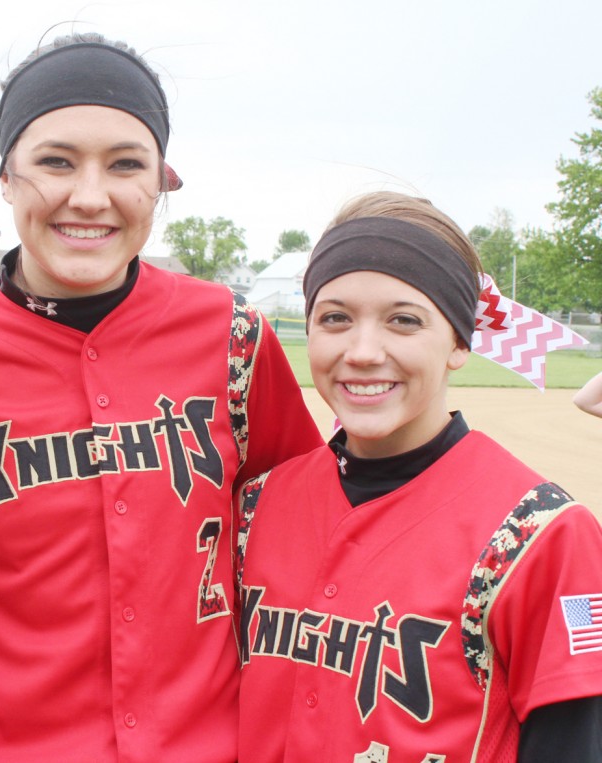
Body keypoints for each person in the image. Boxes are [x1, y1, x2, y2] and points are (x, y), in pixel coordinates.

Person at [0, 31, 321, 762]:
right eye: (55, 162)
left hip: (207, 744)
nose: (90, 196)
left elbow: (304, 532)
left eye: (126, 164)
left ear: (161, 181)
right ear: (5, 177)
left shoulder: (231, 335)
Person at [236, 191, 602, 762]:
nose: (361, 351)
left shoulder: (543, 534)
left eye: (403, 321)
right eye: (335, 318)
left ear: (459, 340)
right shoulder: (256, 504)